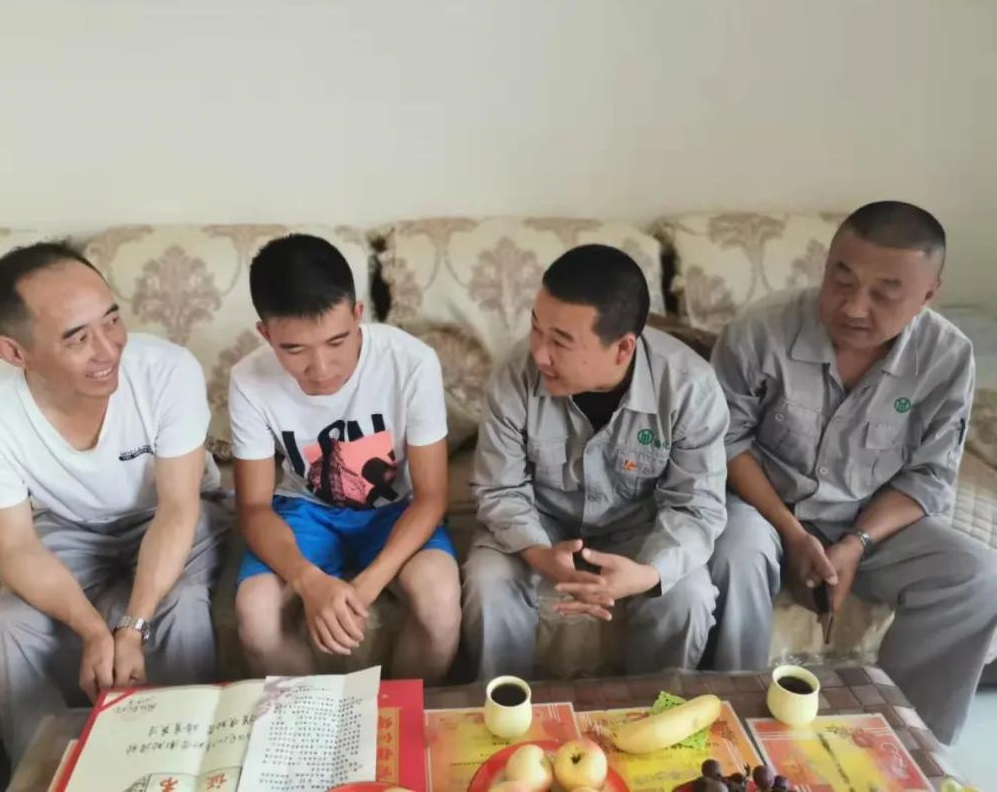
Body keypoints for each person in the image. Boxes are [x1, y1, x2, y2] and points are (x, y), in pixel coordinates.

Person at [706, 201, 997, 744]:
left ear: (928, 295)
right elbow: (725, 442)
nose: (854, 307)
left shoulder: (947, 358)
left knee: (977, 576)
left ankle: (907, 743)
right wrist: (792, 533)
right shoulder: (760, 330)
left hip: (874, 525)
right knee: (734, 550)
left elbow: (929, 476)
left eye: (884, 294)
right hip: (764, 511)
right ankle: (730, 726)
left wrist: (857, 543)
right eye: (841, 281)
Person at [0, 242, 228, 765]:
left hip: (167, 513)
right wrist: (94, 630)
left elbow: (178, 508)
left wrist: (132, 627)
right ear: (14, 352)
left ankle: (182, 767)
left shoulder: (166, 370)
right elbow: (15, 548)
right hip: (68, 526)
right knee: (8, 629)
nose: (108, 350)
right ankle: (47, 772)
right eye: (78, 338)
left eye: (112, 321)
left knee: (183, 607)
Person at [462, 244, 729, 679]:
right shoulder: (514, 375)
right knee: (488, 582)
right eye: (536, 328)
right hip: (540, 523)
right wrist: (541, 555)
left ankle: (654, 712)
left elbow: (697, 507)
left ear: (622, 348)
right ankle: (503, 709)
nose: (539, 353)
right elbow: (500, 489)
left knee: (688, 596)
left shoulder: (690, 388)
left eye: (560, 342)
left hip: (638, 529)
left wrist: (646, 573)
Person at [231, 234, 459, 684]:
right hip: (305, 511)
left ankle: (400, 714)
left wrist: (368, 584)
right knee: (255, 612)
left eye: (337, 341)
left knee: (439, 599)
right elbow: (253, 507)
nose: (321, 367)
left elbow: (432, 496)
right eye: (294, 349)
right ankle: (311, 720)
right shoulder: (249, 379)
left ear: (358, 315)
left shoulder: (411, 362)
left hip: (397, 510)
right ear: (266, 333)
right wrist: (308, 581)